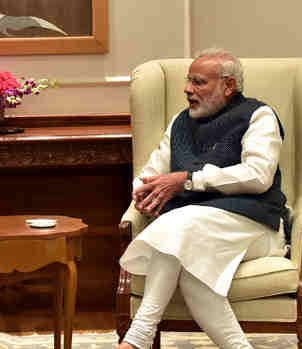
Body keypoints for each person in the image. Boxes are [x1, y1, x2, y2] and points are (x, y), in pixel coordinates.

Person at [118, 48, 289, 349]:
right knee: (193, 270)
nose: (187, 89)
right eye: (188, 81)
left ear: (228, 86)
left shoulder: (258, 116)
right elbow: (152, 170)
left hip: (256, 226)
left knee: (177, 226)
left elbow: (259, 175)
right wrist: (143, 192)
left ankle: (137, 338)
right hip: (195, 229)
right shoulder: (181, 122)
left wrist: (189, 180)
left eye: (198, 82)